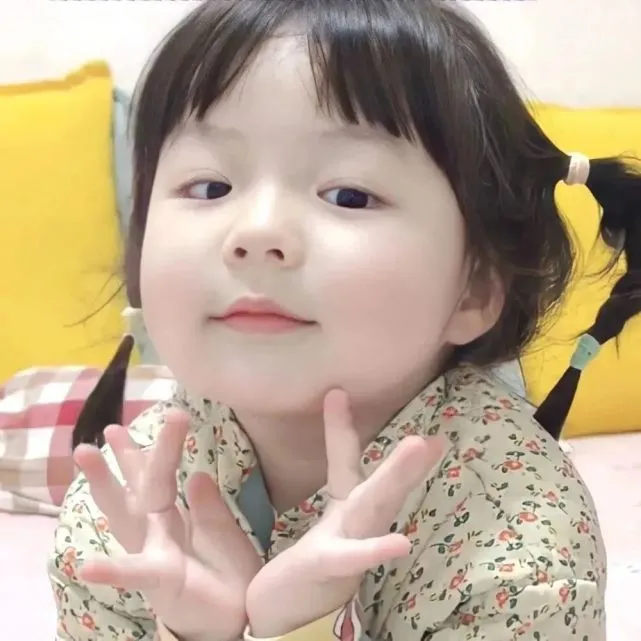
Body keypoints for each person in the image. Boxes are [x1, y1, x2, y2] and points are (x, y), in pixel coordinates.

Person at [49, 1, 641, 640]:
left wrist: (302, 627)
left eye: (349, 195)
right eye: (209, 187)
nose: (256, 232)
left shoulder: (518, 559)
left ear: (474, 287)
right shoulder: (118, 518)